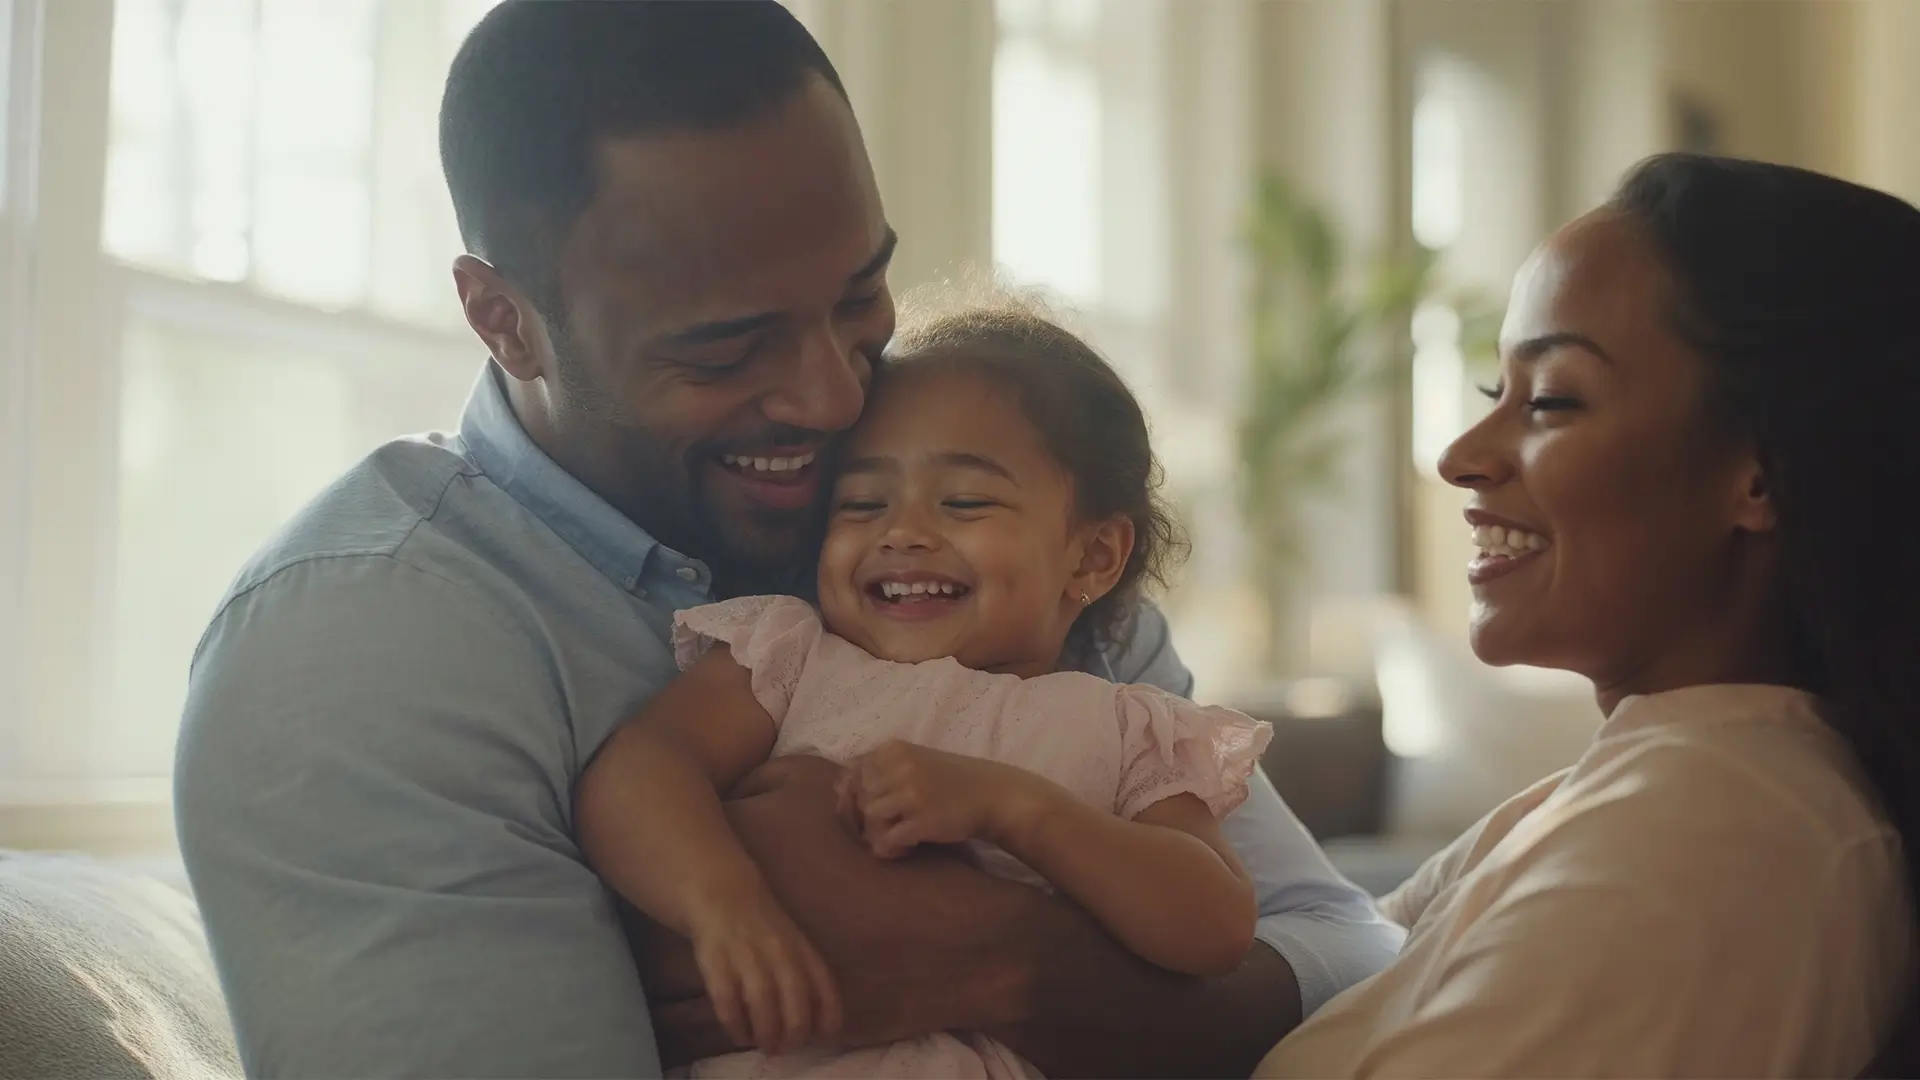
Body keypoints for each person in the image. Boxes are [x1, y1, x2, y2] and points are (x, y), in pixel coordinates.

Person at [172, 4, 1401, 1078]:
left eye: (860, 298)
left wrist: (1001, 961)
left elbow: (1351, 950)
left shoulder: (990, 559)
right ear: (506, 319)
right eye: (725, 346)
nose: (833, 396)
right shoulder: (361, 652)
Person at [1257, 152, 1919, 1078]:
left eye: (1553, 399)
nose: (1459, 456)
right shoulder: (1640, 784)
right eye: (1495, 394)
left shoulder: (1700, 840)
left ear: (1760, 473)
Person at [582, 298, 1273, 1078]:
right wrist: (724, 904)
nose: (903, 531)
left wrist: (1015, 808)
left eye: (965, 501)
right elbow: (638, 772)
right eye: (862, 504)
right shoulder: (791, 658)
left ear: (1092, 557)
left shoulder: (1127, 729)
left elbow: (1217, 925)